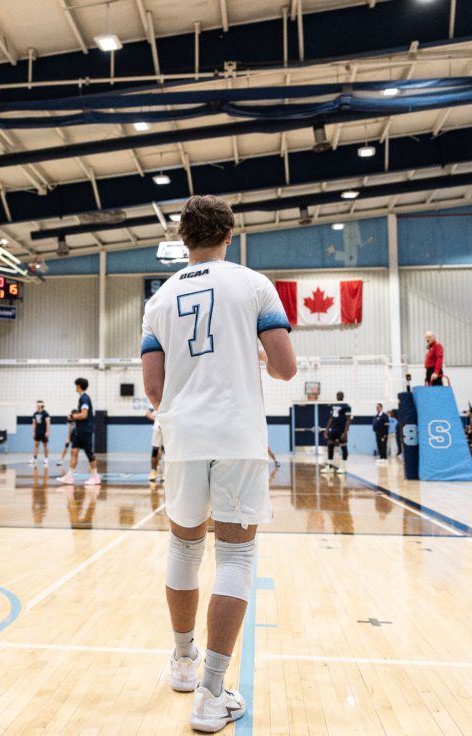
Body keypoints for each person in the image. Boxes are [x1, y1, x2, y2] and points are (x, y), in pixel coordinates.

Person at [141, 194, 296, 732]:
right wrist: (249, 356)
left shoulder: (158, 298)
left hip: (181, 436)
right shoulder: (254, 284)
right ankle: (211, 692)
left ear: (182, 239)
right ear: (231, 235)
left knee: (184, 547)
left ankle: (182, 662)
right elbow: (285, 368)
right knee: (235, 557)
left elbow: (154, 390)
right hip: (237, 434)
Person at [57, 378, 101, 486]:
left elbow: (84, 415)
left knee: (89, 453)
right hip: (79, 431)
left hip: (85, 430)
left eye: (76, 385)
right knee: (74, 451)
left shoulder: (84, 399)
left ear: (79, 386)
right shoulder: (82, 398)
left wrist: (71, 416)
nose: (75, 387)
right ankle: (70, 476)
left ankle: (95, 477)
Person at [321, 392, 352, 475]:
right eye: (337, 395)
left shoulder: (347, 406)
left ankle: (343, 467)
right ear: (336, 396)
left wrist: (345, 432)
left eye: (340, 395)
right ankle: (330, 466)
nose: (339, 396)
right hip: (333, 429)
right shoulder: (334, 406)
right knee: (330, 445)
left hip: (342, 430)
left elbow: (348, 420)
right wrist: (326, 429)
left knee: (343, 447)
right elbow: (331, 418)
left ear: (343, 396)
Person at [145, 408, 165, 480]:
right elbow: (147, 413)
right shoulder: (157, 398)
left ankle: (165, 472)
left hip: (168, 428)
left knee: (166, 451)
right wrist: (157, 420)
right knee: (155, 450)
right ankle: (153, 471)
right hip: (158, 429)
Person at [31, 401, 51, 467]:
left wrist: (47, 431)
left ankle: (46, 458)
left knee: (45, 445)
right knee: (36, 445)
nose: (37, 406)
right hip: (37, 432)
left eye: (39, 405)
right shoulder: (35, 413)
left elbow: (48, 423)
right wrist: (33, 432)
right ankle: (35, 458)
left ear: (42, 405)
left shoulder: (45, 413)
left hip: (44, 432)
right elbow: (34, 423)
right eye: (37, 405)